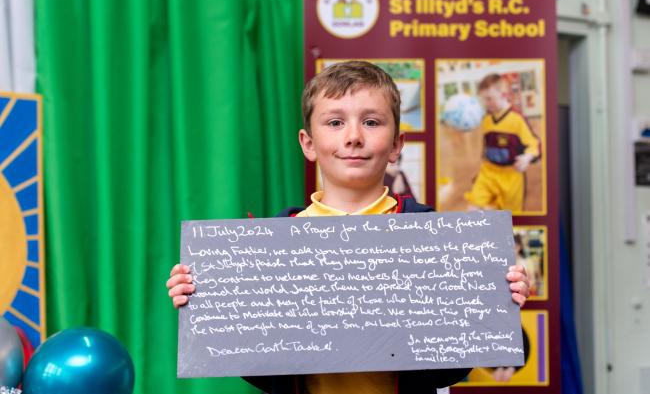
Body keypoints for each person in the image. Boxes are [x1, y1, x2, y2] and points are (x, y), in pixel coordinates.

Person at [167, 61, 531, 394]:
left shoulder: (433, 236)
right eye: (335, 122)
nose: (353, 136)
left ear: (395, 145)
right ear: (308, 144)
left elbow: (455, 363)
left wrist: (502, 299)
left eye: (371, 122)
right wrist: (204, 299)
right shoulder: (275, 243)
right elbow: (262, 363)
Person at [465, 73, 540, 213]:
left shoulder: (517, 119)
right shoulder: (487, 119)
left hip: (511, 176)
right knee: (472, 209)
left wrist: (527, 157)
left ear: (504, 95)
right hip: (488, 173)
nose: (486, 103)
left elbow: (534, 143)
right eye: (483, 99)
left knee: (509, 217)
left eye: (489, 99)